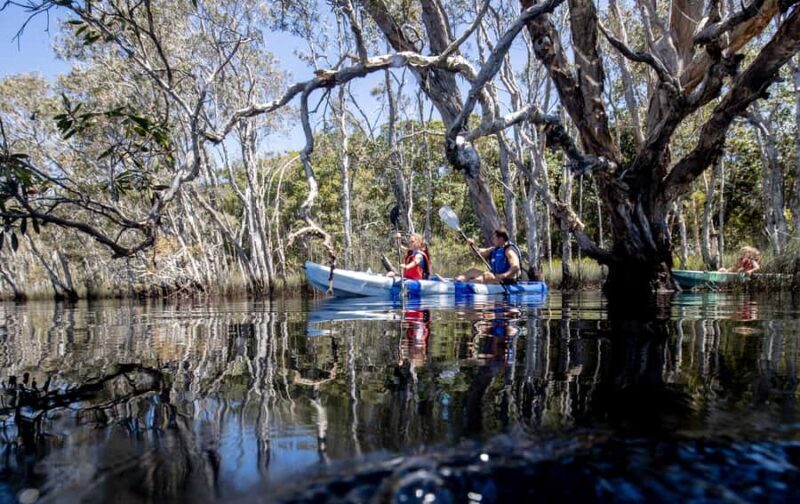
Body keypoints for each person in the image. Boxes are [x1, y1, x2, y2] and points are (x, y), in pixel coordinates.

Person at [455, 228, 521, 284]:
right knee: (472, 271)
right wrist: (472, 245)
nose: (493, 240)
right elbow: (478, 252)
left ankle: (468, 286)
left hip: (507, 280)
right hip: (496, 277)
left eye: (494, 238)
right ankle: (456, 282)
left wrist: (503, 275)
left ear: (500, 238)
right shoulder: (494, 249)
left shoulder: (509, 250)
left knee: (486, 275)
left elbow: (516, 267)